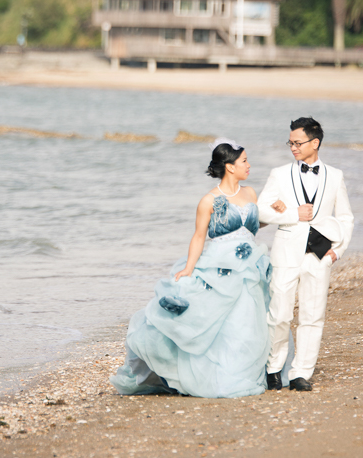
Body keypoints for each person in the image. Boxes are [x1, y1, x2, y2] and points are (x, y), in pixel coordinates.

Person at [110, 139, 274, 398]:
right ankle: (212, 375)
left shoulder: (251, 193)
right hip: (219, 265)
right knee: (214, 319)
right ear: (230, 167)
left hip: (249, 266)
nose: (249, 165)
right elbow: (199, 237)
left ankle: (242, 370)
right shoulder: (208, 200)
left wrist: (273, 213)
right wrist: (188, 268)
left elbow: (248, 226)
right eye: (244, 161)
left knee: (245, 323)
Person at [257, 117, 354, 392]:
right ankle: (273, 369)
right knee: (279, 314)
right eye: (290, 142)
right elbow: (260, 210)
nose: (293, 147)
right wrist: (291, 214)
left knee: (313, 315)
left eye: (298, 142)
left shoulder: (335, 176)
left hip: (319, 255)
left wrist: (338, 252)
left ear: (315, 143)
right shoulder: (279, 174)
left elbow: (345, 217)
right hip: (285, 251)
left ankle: (301, 373)